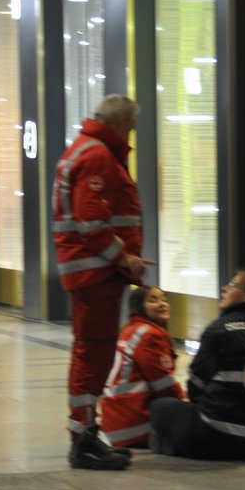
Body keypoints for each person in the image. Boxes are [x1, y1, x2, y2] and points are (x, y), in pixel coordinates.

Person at [52, 94, 148, 470]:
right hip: (95, 273)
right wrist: (124, 258)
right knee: (92, 356)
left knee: (94, 353)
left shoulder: (87, 150)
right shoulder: (96, 156)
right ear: (120, 122)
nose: (132, 135)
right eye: (131, 127)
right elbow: (91, 223)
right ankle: (83, 440)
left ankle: (87, 434)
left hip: (94, 273)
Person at [149, 271, 245, 460]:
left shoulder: (220, 329)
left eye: (233, 284)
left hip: (219, 437)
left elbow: (195, 386)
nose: (224, 288)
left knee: (160, 406)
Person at [98, 285, 184, 449]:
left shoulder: (129, 330)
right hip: (134, 422)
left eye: (164, 299)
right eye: (153, 300)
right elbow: (164, 384)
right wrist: (186, 404)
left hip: (115, 422)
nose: (162, 304)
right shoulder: (150, 335)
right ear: (139, 307)